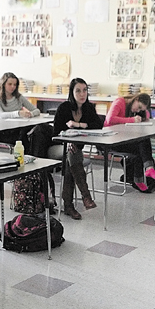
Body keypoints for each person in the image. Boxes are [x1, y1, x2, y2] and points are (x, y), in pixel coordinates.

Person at [52, 78, 101, 220]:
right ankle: (86, 196)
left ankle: (68, 205)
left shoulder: (89, 108)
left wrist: (79, 125)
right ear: (72, 92)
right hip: (57, 147)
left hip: (73, 151)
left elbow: (98, 126)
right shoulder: (64, 108)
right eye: (78, 90)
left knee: (71, 158)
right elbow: (55, 133)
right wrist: (66, 143)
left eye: (85, 90)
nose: (82, 94)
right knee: (71, 153)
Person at [103, 93, 155, 192]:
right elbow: (110, 119)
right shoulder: (120, 102)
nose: (138, 110)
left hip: (123, 140)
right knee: (142, 144)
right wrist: (132, 120)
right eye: (139, 107)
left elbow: (147, 116)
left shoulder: (133, 109)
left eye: (141, 109)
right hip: (112, 140)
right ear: (136, 99)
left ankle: (142, 177)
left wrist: (143, 113)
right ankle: (146, 170)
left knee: (143, 142)